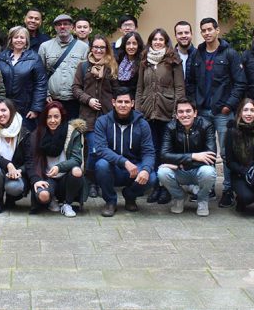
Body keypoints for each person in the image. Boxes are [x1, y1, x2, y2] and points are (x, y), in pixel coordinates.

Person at [187, 17, 246, 207]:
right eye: (203, 30)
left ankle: (228, 189)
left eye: (210, 29)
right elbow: (191, 82)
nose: (206, 33)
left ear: (217, 30)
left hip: (223, 112)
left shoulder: (230, 54)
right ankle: (209, 187)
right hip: (203, 111)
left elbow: (240, 83)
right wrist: (194, 104)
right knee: (206, 151)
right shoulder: (197, 54)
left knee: (227, 152)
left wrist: (229, 105)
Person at [136, 28, 184, 205]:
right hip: (148, 112)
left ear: (166, 42)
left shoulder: (173, 60)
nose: (157, 42)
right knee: (153, 150)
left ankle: (166, 188)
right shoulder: (144, 61)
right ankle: (156, 186)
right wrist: (139, 111)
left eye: (161, 39)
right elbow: (139, 88)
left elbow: (179, 87)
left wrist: (176, 112)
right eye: (154, 39)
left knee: (166, 151)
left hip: (167, 110)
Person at [93, 88, 156, 217]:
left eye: (126, 102)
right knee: (101, 165)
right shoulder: (102, 122)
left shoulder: (142, 124)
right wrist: (124, 162)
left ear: (132, 103)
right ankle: (110, 201)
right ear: (113, 102)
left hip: (134, 168)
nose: (123, 105)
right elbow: (101, 149)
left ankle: (130, 196)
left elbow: (149, 152)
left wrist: (146, 169)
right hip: (113, 168)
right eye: (119, 101)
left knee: (152, 177)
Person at [72, 35, 118, 199]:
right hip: (89, 117)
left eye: (102, 48)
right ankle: (91, 182)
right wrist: (88, 100)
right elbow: (76, 88)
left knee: (104, 151)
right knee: (93, 150)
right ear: (91, 48)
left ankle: (100, 182)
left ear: (106, 50)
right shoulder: (83, 67)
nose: (98, 50)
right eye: (96, 47)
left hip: (107, 117)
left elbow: (116, 91)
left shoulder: (112, 67)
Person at [158, 97, 217, 216]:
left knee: (209, 172)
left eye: (188, 111)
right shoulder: (171, 127)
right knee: (162, 172)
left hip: (198, 170)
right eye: (180, 112)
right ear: (176, 114)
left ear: (195, 113)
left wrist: (181, 164)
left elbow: (211, 156)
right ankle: (179, 197)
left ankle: (202, 200)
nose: (184, 115)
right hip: (180, 172)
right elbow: (164, 155)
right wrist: (193, 156)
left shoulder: (206, 126)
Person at [27, 102, 85, 217]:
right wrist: (36, 179)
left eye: (56, 117)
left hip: (66, 176)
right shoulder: (37, 134)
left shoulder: (72, 132)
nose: (52, 120)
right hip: (47, 177)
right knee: (43, 196)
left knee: (77, 171)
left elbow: (77, 159)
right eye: (49, 117)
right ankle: (50, 198)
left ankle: (67, 203)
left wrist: (59, 167)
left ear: (62, 117)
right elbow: (30, 161)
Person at [0, 98, 32, 213]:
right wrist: (8, 164)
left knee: (15, 188)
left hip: (16, 173)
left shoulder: (23, 132)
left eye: (4, 110)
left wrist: (19, 171)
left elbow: (30, 159)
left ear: (11, 111)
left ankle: (11, 199)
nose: (0, 114)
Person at [0, 26, 47, 131]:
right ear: (11, 39)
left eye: (22, 38)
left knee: (23, 139)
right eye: (16, 37)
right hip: (4, 106)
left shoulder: (34, 58)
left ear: (26, 40)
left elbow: (40, 84)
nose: (19, 40)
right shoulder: (0, 57)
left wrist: (35, 108)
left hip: (26, 108)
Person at [38, 14, 89, 119]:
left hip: (75, 101)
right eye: (59, 24)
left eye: (66, 24)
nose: (62, 27)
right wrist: (46, 94)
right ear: (55, 28)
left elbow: (86, 75)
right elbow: (40, 74)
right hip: (52, 101)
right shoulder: (45, 47)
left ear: (72, 27)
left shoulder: (84, 47)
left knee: (72, 132)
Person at [224, 99, 254, 215]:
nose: (248, 113)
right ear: (240, 113)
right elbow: (229, 161)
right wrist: (243, 171)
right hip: (239, 171)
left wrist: (253, 168)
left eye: (252, 110)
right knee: (247, 197)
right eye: (245, 110)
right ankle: (241, 200)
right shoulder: (231, 131)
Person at [174, 21, 196, 92]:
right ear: (175, 36)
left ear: (191, 34)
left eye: (186, 32)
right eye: (180, 33)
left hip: (194, 101)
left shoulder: (200, 55)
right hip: (174, 101)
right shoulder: (169, 57)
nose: (183, 36)